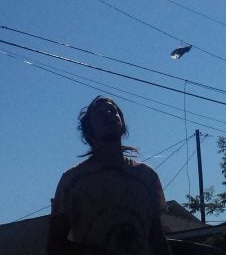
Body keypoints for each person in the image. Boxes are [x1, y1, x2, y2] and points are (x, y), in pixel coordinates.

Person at [47, 96, 172, 255]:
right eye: (99, 113)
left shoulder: (147, 176)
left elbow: (157, 237)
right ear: (89, 131)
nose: (107, 113)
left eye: (112, 110)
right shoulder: (73, 181)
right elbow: (54, 245)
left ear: (122, 123)